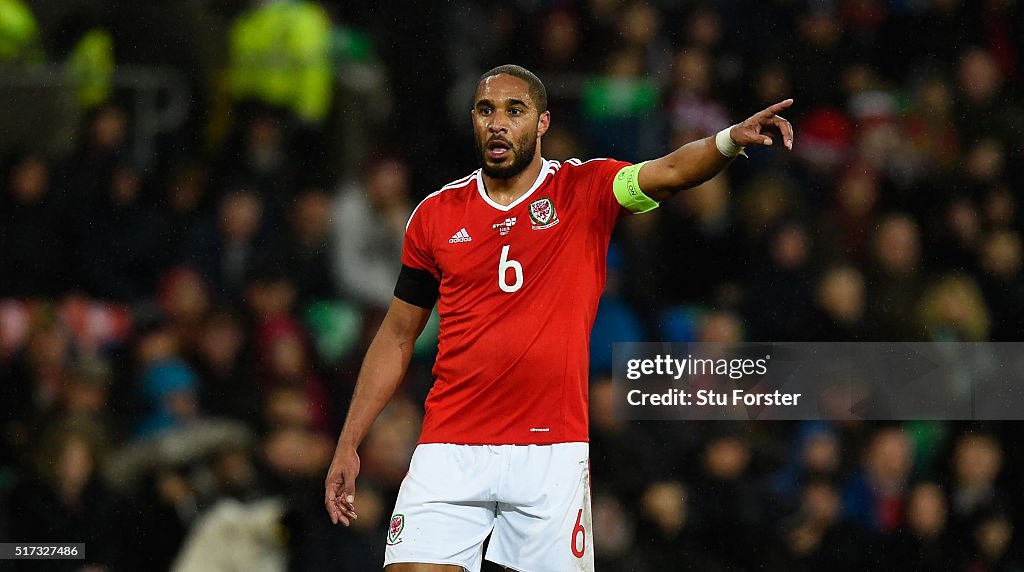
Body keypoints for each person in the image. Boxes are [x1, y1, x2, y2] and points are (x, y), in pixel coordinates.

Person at [324, 64, 793, 571]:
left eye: (514, 110)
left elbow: (673, 171)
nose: (497, 122)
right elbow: (396, 337)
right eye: (486, 110)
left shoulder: (586, 189)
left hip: (550, 450)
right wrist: (349, 442)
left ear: (542, 123)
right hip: (450, 445)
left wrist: (727, 141)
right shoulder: (435, 215)